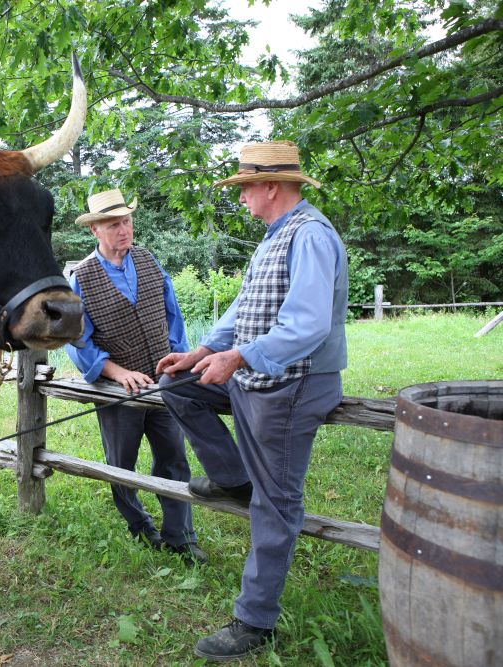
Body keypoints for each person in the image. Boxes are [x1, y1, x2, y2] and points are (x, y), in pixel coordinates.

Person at [157, 141, 348, 661]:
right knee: (178, 384)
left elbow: (307, 325)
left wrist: (239, 357)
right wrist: (202, 351)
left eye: (244, 188)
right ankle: (234, 477)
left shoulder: (310, 236)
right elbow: (244, 308)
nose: (240, 198)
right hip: (256, 373)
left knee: (276, 503)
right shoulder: (274, 235)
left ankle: (254, 620)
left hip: (293, 384)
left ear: (270, 186)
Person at [65, 188, 206, 567]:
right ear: (95, 230)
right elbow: (78, 341)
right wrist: (116, 372)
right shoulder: (81, 277)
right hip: (117, 390)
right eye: (114, 224)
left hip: (164, 384)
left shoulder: (148, 261)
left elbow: (173, 315)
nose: (124, 230)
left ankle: (180, 536)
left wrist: (178, 360)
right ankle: (141, 526)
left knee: (174, 459)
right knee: (120, 465)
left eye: (126, 221)